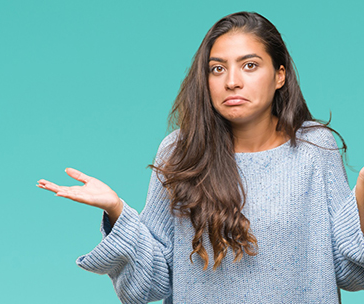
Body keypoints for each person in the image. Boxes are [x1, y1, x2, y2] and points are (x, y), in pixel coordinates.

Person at [37, 11, 364, 304]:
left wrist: (362, 200)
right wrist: (117, 210)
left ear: (279, 75)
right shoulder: (181, 151)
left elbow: (349, 273)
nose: (232, 81)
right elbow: (151, 283)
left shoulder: (314, 148)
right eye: (217, 69)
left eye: (249, 65)